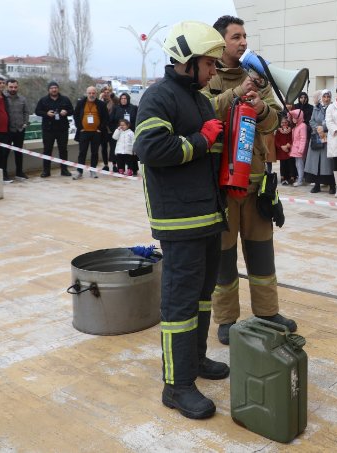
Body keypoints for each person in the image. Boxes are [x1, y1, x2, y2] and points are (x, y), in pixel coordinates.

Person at [133, 21, 229, 420]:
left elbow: (205, 150)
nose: (213, 71)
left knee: (203, 296)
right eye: (209, 64)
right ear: (187, 61)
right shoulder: (158, 97)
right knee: (180, 303)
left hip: (208, 214)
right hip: (180, 219)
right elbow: (151, 148)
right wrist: (203, 140)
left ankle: (196, 359)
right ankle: (177, 385)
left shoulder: (201, 100)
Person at [203, 15, 294, 345]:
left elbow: (274, 123)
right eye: (236, 37)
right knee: (224, 256)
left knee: (261, 252)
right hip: (221, 184)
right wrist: (236, 94)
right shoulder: (207, 76)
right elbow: (201, 113)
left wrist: (261, 110)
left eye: (245, 36)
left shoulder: (258, 78)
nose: (243, 42)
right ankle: (226, 319)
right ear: (221, 42)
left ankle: (268, 312)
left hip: (255, 181)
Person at [34, 81, 74, 177]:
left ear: (58, 89)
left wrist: (66, 112)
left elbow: (72, 111)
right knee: (47, 150)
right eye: (52, 88)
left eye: (55, 88)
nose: (54, 90)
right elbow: (37, 111)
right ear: (49, 90)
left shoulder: (65, 99)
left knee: (63, 150)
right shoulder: (43, 100)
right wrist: (46, 113)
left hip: (62, 129)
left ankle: (64, 170)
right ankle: (46, 171)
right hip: (48, 129)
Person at [72, 86, 110, 179]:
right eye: (89, 93)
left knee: (95, 152)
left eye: (93, 93)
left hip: (96, 133)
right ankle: (79, 171)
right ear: (87, 93)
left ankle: (93, 170)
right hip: (84, 132)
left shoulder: (101, 104)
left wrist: (100, 128)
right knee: (82, 152)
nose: (91, 95)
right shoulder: (81, 103)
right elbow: (75, 115)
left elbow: (106, 118)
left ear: (96, 94)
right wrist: (80, 127)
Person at [306, 89, 335, 194]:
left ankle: (332, 185)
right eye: (324, 97)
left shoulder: (333, 108)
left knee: (328, 163)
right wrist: (318, 128)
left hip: (328, 137)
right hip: (317, 137)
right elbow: (311, 120)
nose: (326, 99)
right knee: (316, 163)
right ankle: (317, 185)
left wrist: (323, 128)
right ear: (321, 98)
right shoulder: (316, 107)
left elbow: (333, 121)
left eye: (328, 97)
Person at [5, 79, 29, 179]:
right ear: (7, 87)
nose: (13, 89)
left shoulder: (22, 99)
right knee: (4, 153)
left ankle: (19, 172)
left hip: (20, 130)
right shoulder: (3, 99)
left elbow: (26, 112)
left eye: (15, 87)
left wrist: (25, 123)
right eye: (11, 87)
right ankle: (4, 174)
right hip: (7, 131)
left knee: (19, 152)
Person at [110, 92, 139, 175]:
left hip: (131, 133)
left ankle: (133, 169)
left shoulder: (133, 108)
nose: (123, 100)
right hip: (119, 133)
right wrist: (115, 130)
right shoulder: (116, 108)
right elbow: (111, 120)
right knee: (120, 153)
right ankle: (120, 168)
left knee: (131, 152)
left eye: (125, 98)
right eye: (122, 98)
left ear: (128, 99)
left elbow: (137, 119)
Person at [99, 85, 117, 172]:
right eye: (104, 93)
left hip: (111, 128)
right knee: (104, 147)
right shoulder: (99, 102)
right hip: (103, 128)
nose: (106, 94)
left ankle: (114, 164)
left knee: (113, 147)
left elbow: (117, 101)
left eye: (108, 92)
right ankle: (106, 165)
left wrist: (111, 96)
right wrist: (100, 98)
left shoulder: (113, 101)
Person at [289, 108, 308, 187]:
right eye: (292, 118)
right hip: (295, 148)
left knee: (300, 165)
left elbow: (303, 138)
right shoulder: (296, 126)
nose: (293, 119)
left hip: (299, 149)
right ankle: (300, 178)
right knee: (297, 164)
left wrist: (301, 149)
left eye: (295, 117)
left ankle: (300, 180)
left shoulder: (302, 126)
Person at [275, 116, 294, 185]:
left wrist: (288, 145)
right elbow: (276, 141)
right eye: (282, 123)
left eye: (285, 122)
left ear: (288, 123)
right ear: (280, 123)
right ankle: (283, 178)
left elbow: (292, 139)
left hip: (289, 149)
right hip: (281, 150)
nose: (284, 124)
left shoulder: (291, 130)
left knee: (290, 164)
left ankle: (291, 177)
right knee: (282, 164)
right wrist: (281, 146)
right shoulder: (278, 131)